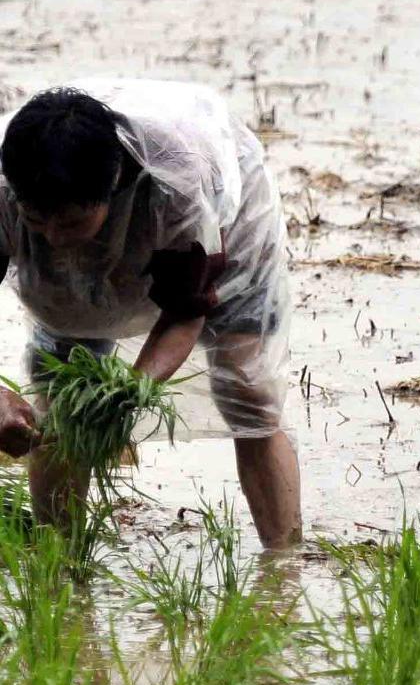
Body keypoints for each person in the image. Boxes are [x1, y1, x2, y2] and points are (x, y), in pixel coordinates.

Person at [0, 81, 300, 546]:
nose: (54, 239)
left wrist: (127, 393)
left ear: (114, 184)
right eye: (38, 222)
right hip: (95, 213)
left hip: (225, 222)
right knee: (62, 399)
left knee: (248, 387)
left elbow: (185, 310)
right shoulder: (7, 191)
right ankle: (59, 565)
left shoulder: (179, 186)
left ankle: (283, 564)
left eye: (72, 222)